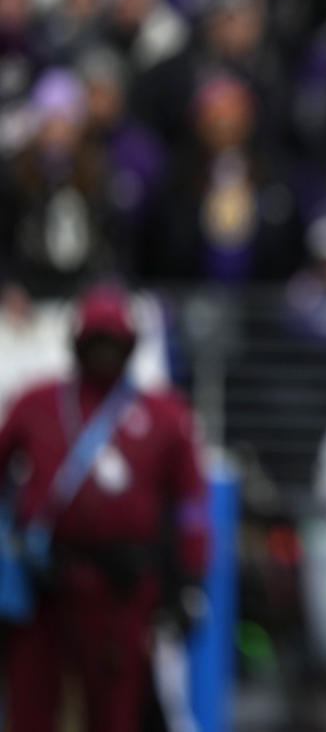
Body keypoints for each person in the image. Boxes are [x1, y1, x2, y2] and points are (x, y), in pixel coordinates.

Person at [0, 285, 209, 732]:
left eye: (112, 342)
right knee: (31, 710)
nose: (103, 354)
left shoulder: (165, 414)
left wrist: (189, 582)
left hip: (123, 595)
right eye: (94, 342)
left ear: (130, 346)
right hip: (43, 590)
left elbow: (193, 503)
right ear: (76, 345)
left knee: (116, 715)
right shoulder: (36, 403)